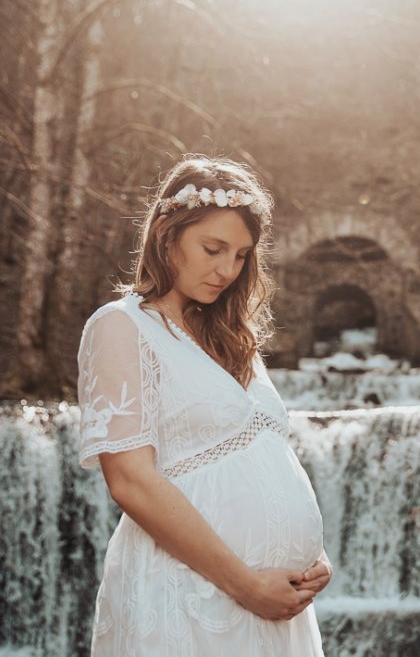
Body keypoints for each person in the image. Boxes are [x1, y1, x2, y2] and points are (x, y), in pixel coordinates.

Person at [75, 155, 331, 656]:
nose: (227, 270)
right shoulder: (122, 325)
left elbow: (262, 457)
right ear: (166, 235)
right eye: (212, 248)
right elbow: (130, 480)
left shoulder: (235, 339)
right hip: (189, 595)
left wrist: (312, 556)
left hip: (278, 606)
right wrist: (246, 585)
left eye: (240, 256)